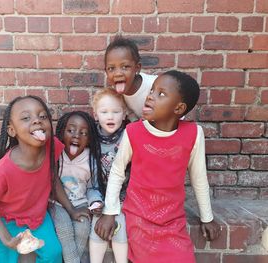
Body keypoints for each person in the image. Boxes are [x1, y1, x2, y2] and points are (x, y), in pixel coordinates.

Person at [95, 70, 221, 263]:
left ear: (178, 108)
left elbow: (199, 177)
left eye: (160, 94)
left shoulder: (194, 134)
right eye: (152, 90)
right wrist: (110, 212)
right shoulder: (134, 132)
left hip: (173, 220)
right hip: (138, 216)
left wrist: (207, 217)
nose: (151, 96)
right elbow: (117, 171)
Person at [0, 95, 87, 263]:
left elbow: (53, 179)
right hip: (4, 220)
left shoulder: (52, 146)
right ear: (12, 130)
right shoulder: (5, 169)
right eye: (26, 118)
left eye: (42, 116)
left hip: (36, 217)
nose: (37, 121)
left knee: (53, 254)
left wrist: (71, 210)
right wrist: (7, 239)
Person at [49, 111, 103, 263]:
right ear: (61, 133)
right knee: (64, 229)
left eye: (83, 133)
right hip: (57, 204)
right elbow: (51, 181)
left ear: (89, 138)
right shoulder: (56, 155)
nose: (76, 136)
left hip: (81, 203)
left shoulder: (90, 160)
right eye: (70, 130)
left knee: (83, 228)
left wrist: (95, 203)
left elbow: (93, 187)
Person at [89, 87, 129, 263]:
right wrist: (94, 200)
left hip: (124, 195)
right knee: (97, 222)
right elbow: (89, 179)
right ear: (96, 115)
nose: (110, 116)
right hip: (98, 192)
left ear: (124, 114)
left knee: (120, 223)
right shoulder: (91, 138)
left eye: (116, 111)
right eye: (104, 112)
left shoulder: (129, 136)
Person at [104, 35, 158, 121]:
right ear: (106, 71)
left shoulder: (154, 85)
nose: (118, 74)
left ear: (137, 67)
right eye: (111, 68)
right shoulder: (118, 96)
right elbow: (131, 115)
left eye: (125, 67)